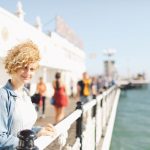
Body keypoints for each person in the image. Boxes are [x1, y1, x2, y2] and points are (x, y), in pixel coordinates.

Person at [0, 40, 55, 149]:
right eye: (24, 67)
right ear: (14, 66)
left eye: (32, 69)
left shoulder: (25, 93)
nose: (28, 73)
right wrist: (30, 141)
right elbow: (1, 138)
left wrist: (39, 130)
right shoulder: (3, 96)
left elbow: (23, 128)